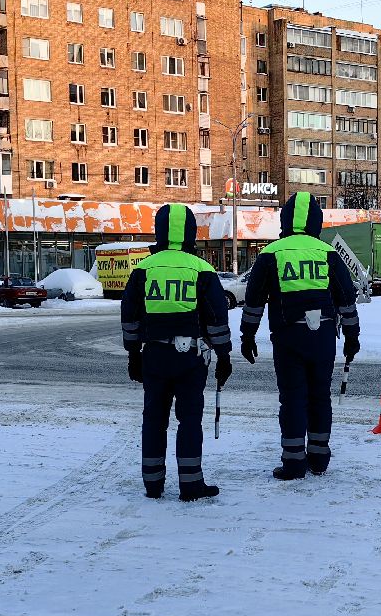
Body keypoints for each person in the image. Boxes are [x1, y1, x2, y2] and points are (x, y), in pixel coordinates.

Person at [239, 192, 360, 480]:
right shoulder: (327, 253)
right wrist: (352, 336)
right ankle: (319, 458)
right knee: (320, 397)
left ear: (285, 219)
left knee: (292, 399)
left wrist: (247, 336)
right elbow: (347, 298)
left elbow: (254, 300)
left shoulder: (271, 254)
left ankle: (293, 462)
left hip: (287, 335)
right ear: (316, 221)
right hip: (324, 337)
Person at [121, 203, 232, 501]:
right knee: (189, 421)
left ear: (159, 231)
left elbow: (130, 315)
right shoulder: (202, 269)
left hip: (154, 356)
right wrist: (224, 355)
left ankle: (153, 484)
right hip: (190, 359)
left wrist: (133, 354)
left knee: (154, 420)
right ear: (190, 233)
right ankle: (191, 484)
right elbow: (217, 317)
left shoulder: (144, 269)